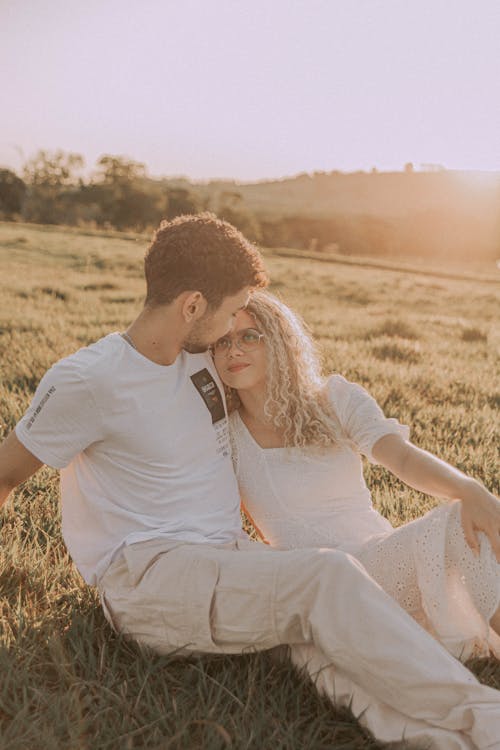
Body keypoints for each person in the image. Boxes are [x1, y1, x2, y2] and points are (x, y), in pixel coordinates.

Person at [1, 215, 500, 750]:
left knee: (327, 644)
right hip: (149, 575)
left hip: (229, 557)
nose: (230, 334)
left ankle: (446, 739)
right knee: (327, 577)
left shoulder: (200, 359)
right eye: (228, 313)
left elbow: (278, 377)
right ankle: (485, 714)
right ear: (192, 306)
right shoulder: (89, 379)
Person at [212, 289, 500, 666]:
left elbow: (402, 458)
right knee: (454, 524)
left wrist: (468, 488)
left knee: (468, 521)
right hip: (320, 584)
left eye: (249, 336)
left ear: (279, 341)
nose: (234, 350)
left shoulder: (334, 398)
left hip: (378, 555)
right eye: (222, 341)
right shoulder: (223, 435)